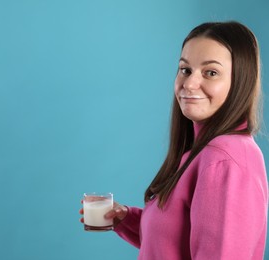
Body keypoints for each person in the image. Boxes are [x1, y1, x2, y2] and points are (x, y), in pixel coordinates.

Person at [79, 21, 268, 259]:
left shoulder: (223, 159)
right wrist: (125, 219)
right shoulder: (202, 152)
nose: (189, 84)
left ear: (241, 81)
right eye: (185, 70)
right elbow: (172, 243)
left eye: (211, 72)